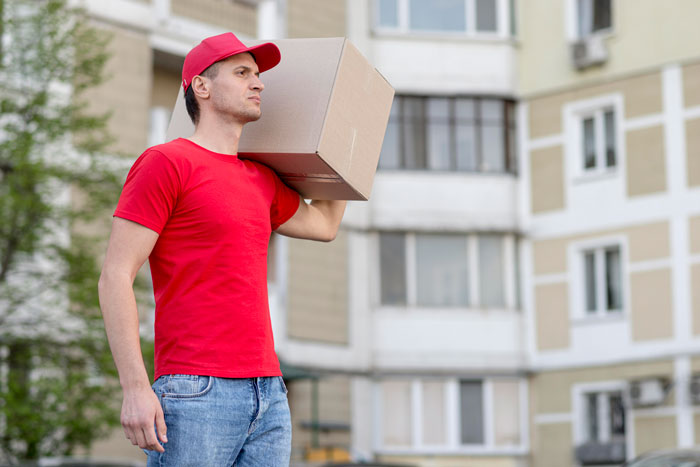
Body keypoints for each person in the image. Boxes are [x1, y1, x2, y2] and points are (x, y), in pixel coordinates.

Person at [98, 32, 347, 466]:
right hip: (196, 391)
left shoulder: (261, 180)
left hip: (269, 392)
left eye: (258, 74)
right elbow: (115, 275)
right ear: (202, 86)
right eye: (242, 72)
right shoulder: (166, 162)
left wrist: (348, 140)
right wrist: (136, 388)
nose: (259, 83)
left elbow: (325, 224)